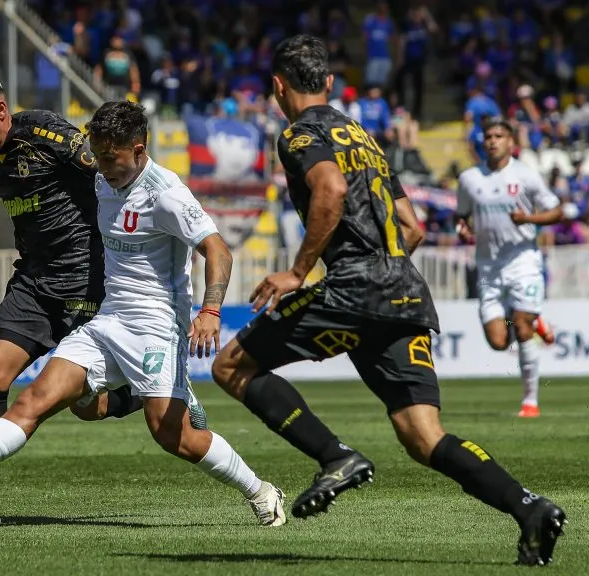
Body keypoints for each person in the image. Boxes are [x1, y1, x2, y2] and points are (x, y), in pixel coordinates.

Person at [209, 35, 566, 566]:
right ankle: (530, 508)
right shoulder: (365, 137)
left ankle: (336, 456)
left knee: (231, 366)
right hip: (404, 288)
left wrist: (299, 272)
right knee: (423, 436)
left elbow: (328, 191)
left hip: (356, 287)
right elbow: (412, 227)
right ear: (329, 83)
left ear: (278, 87)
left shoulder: (301, 134)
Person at [0, 100, 288, 527]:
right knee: (37, 400)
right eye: (96, 155)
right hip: (107, 321)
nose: (101, 166)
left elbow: (217, 250)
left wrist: (210, 310)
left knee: (175, 437)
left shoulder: (166, 193)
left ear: (139, 148)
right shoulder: (100, 180)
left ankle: (262, 491)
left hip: (155, 329)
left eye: (110, 158)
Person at [0, 70, 207, 524]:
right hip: (33, 282)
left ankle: (165, 392)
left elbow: (112, 169)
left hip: (86, 281)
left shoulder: (44, 133)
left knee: (87, 407)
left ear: (1, 109)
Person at [455, 118, 563, 418]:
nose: (492, 141)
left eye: (499, 136)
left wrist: (529, 220)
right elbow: (461, 215)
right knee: (499, 341)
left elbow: (557, 211)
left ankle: (530, 402)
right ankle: (535, 317)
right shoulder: (469, 179)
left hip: (523, 260)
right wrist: (463, 229)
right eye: (488, 136)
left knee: (522, 326)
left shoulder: (526, 176)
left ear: (510, 142)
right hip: (488, 266)